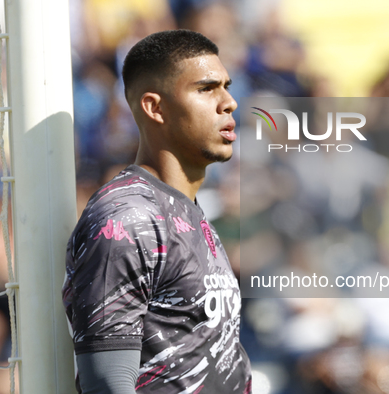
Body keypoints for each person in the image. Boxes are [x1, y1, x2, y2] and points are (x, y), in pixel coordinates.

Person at [62, 30, 251, 394]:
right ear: (155, 107)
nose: (229, 102)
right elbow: (107, 383)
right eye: (206, 88)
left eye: (226, 86)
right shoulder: (128, 217)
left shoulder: (185, 209)